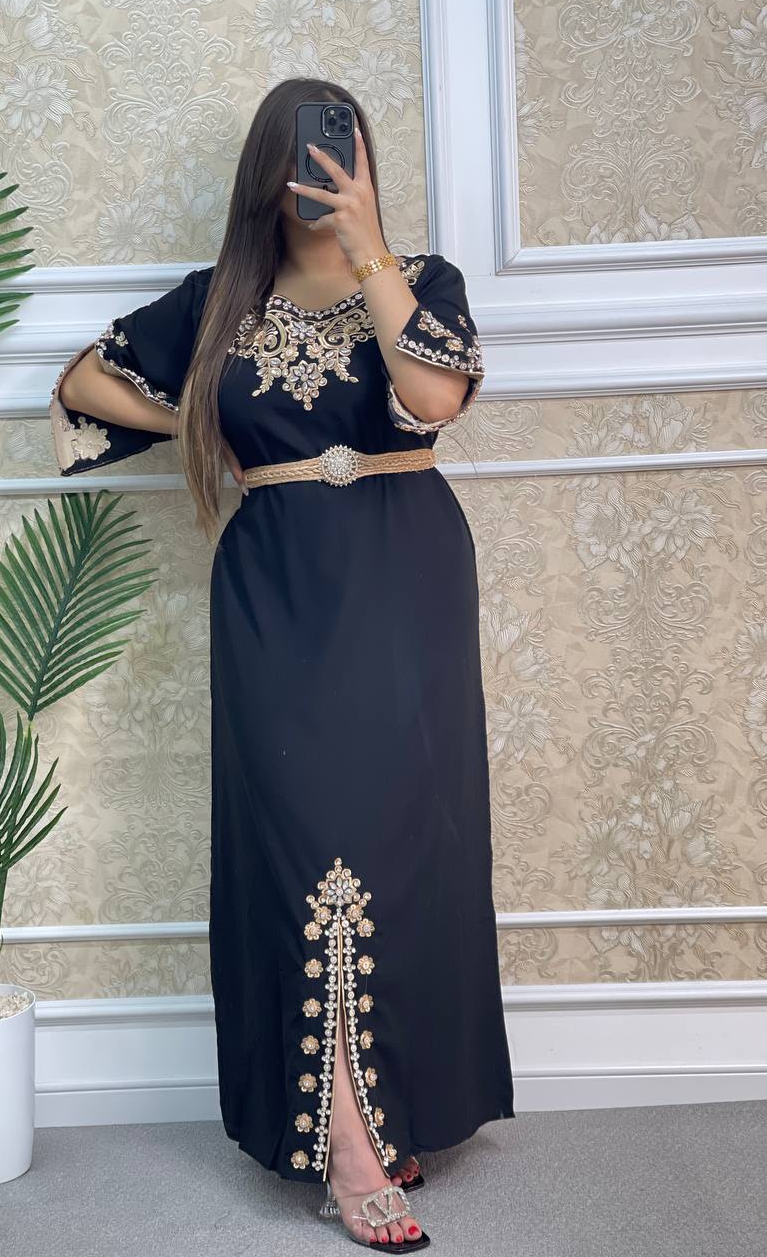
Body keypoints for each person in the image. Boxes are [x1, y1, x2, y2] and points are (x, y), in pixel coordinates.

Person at [49, 78, 515, 1251]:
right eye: (305, 154)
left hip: (408, 588)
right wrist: (209, 415)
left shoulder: (424, 281)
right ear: (269, 168)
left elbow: (433, 395)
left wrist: (369, 246)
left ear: (365, 161)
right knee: (304, 839)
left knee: (410, 841)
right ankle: (347, 1140)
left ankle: (384, 1104)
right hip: (275, 597)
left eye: (342, 150)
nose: (323, 171)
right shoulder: (220, 303)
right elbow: (83, 384)